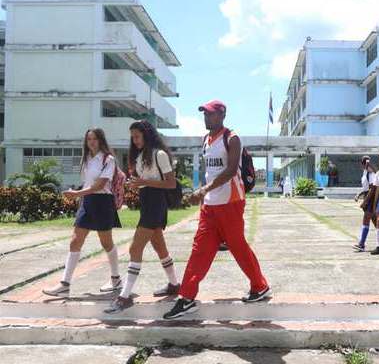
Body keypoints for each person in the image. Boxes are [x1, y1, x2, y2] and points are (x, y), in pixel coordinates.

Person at [163, 100, 270, 319]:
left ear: (221, 116)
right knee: (199, 249)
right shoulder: (206, 140)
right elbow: (209, 173)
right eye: (204, 114)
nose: (206, 118)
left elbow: (231, 171)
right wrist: (203, 196)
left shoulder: (232, 138)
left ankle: (259, 286)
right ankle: (186, 297)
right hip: (210, 205)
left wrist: (203, 190)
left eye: (210, 114)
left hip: (230, 202)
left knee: (238, 246)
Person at [105, 120, 179, 314]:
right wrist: (136, 184)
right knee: (159, 247)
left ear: (146, 134)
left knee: (135, 248)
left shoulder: (159, 154)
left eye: (137, 136)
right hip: (147, 202)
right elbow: (146, 182)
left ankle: (125, 296)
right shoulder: (140, 156)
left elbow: (171, 184)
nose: (135, 140)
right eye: (133, 137)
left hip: (156, 203)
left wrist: (143, 182)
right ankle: (174, 284)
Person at [43, 128, 122, 297]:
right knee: (75, 241)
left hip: (102, 202)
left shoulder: (108, 159)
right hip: (87, 202)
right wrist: (79, 195)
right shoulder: (86, 158)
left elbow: (100, 186)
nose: (91, 142)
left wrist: (76, 194)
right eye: (89, 139)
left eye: (94, 139)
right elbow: (88, 183)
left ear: (101, 140)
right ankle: (65, 284)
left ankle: (116, 279)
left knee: (106, 243)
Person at [353, 156, 379, 252]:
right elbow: (365, 187)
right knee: (374, 220)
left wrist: (365, 201)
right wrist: (359, 194)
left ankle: (362, 244)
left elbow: (372, 188)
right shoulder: (365, 173)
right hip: (367, 196)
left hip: (371, 198)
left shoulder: (371, 173)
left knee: (366, 219)